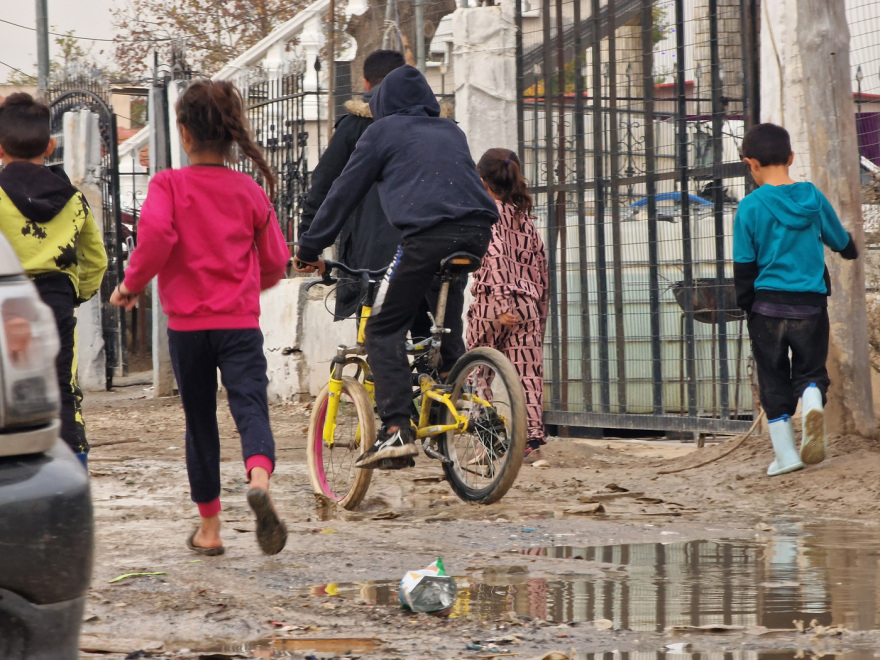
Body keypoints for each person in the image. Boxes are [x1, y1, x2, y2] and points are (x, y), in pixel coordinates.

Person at [110, 79, 290, 556]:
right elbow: (275, 261)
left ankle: (210, 530)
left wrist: (131, 284)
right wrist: (247, 288)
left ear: (184, 134)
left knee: (200, 424)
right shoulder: (249, 190)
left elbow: (155, 240)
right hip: (239, 325)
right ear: (232, 137)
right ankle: (259, 481)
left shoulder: (167, 184)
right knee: (250, 406)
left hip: (188, 329)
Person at [293, 65, 498, 469]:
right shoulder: (450, 130)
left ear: (382, 102)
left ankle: (396, 430)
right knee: (444, 334)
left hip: (424, 239)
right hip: (477, 232)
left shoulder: (379, 132)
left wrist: (310, 248)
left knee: (383, 329)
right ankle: (456, 422)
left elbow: (341, 193)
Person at [733, 122, 858, 477]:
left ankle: (786, 455)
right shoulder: (813, 197)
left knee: (773, 378)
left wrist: (747, 305)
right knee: (811, 370)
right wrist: (849, 248)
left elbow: (744, 263)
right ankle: (814, 399)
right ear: (790, 157)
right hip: (810, 305)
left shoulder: (750, 207)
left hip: (767, 306)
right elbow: (839, 240)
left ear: (750, 163)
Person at [0, 93, 107, 470]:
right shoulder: (74, 200)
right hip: (57, 299)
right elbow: (96, 258)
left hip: (6, 303)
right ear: (50, 146)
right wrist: (80, 293)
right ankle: (73, 473)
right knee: (63, 387)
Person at [467, 148, 549, 465]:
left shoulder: (486, 214)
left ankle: (488, 442)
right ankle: (531, 446)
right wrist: (537, 319)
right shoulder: (526, 222)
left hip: (493, 304)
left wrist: (502, 301)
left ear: (483, 181)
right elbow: (542, 273)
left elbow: (497, 254)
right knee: (528, 377)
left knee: (477, 371)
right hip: (528, 306)